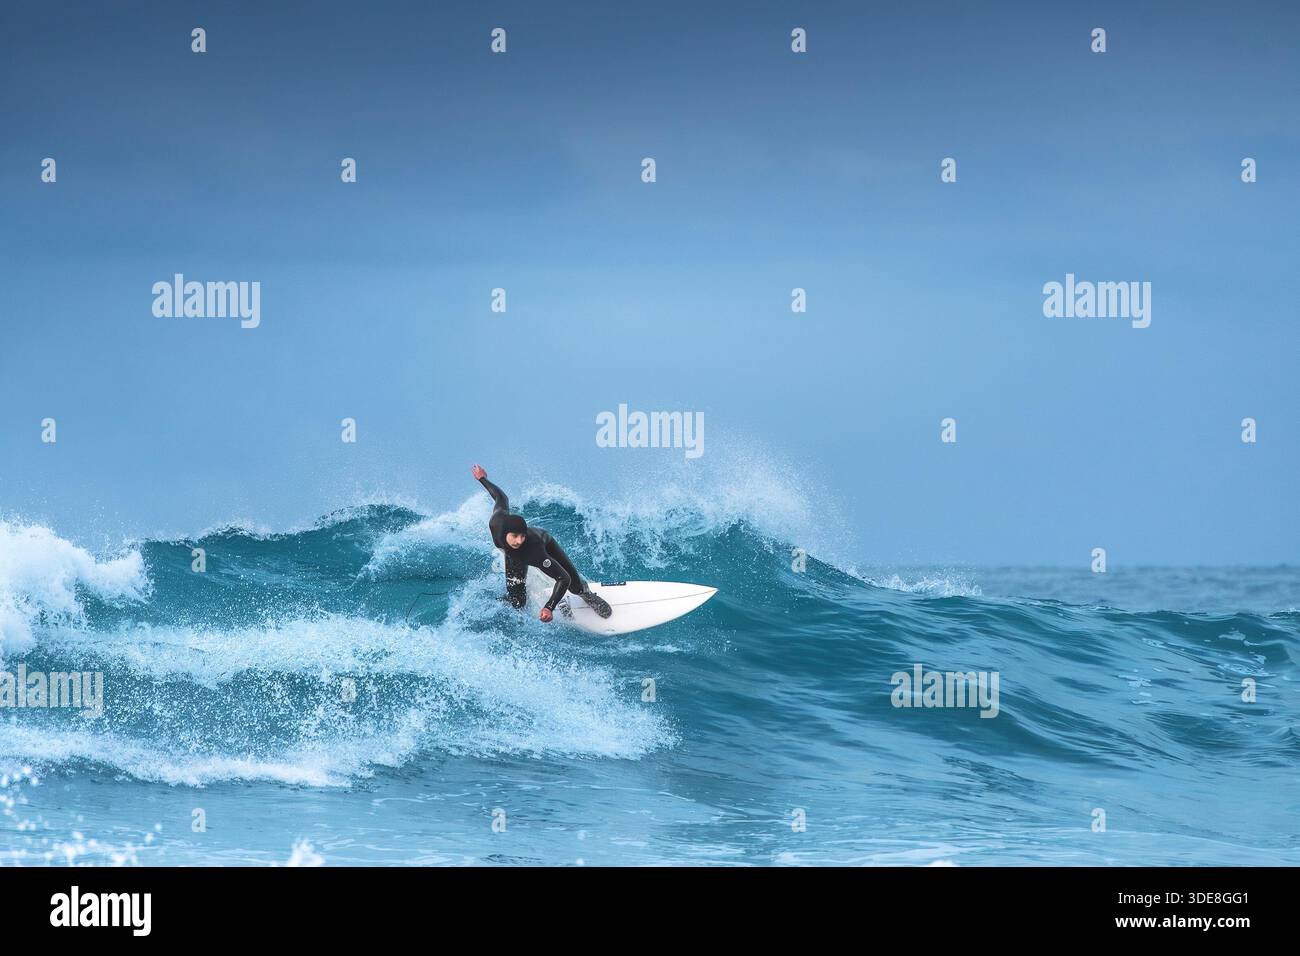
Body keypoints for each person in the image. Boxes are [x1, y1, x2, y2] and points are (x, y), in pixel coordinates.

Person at [472, 464, 612, 622]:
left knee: (574, 586)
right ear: (504, 534)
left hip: (544, 542)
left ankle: (587, 595)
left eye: (522, 536)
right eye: (515, 536)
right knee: (517, 603)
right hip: (514, 558)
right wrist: (482, 479)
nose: (519, 541)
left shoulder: (534, 550)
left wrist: (549, 607)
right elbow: (501, 498)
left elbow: (563, 578)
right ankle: (511, 596)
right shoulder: (496, 524)